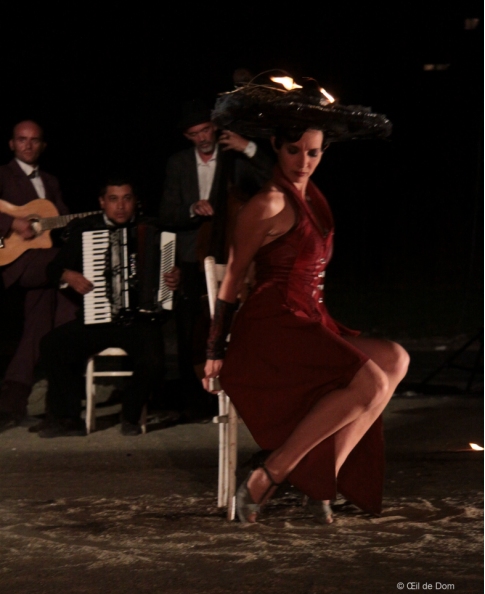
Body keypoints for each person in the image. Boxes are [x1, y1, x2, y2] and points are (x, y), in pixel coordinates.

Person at [203, 78, 409, 524]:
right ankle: (270, 474)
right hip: (271, 327)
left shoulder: (312, 198)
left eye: (313, 152)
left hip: (308, 321)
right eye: (294, 150)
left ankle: (320, 480)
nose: (303, 161)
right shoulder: (267, 203)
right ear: (276, 147)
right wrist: (215, 349)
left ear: (323, 152)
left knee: (394, 359)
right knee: (370, 383)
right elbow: (233, 277)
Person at [37, 178, 180, 437]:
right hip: (98, 319)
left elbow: (171, 272)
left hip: (139, 321)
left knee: (154, 361)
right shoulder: (85, 230)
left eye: (127, 198)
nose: (121, 206)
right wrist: (68, 274)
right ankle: (67, 418)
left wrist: (174, 279)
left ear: (135, 202)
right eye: (113, 199)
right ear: (102, 202)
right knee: (51, 345)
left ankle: (130, 414)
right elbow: (53, 268)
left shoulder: (152, 230)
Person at [160, 99, 273, 414]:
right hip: (192, 256)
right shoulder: (179, 164)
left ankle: (241, 389)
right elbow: (166, 213)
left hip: (233, 252)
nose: (202, 138)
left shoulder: (234, 158)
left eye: (206, 130)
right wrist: (191, 208)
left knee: (236, 324)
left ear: (215, 127)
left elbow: (273, 181)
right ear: (187, 137)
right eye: (194, 134)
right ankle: (193, 400)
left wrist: (248, 147)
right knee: (189, 328)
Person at [0, 120, 76, 431]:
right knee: (69, 266)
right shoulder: (3, 175)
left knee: (44, 322)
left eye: (34, 140)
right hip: (15, 261)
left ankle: (12, 403)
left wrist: (84, 223)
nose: (28, 145)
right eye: (22, 139)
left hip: (42, 266)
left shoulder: (50, 181)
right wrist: (11, 223)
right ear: (12, 144)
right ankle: (63, 402)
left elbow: (62, 219)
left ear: (43, 145)